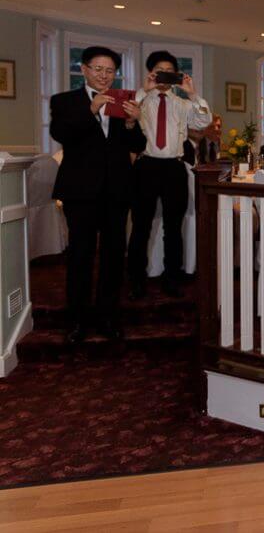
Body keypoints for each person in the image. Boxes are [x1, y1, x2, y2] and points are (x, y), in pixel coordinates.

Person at [51, 46, 146, 342]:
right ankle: (77, 320)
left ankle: (108, 317)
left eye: (110, 71)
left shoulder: (123, 102)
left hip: (116, 191)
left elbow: (137, 144)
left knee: (114, 257)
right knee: (80, 255)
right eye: (98, 69)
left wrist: (132, 122)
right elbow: (61, 133)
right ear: (84, 69)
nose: (104, 76)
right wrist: (90, 111)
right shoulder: (65, 101)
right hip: (80, 192)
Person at [127, 50, 212, 300]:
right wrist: (144, 90)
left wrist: (192, 93)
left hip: (174, 168)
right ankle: (136, 279)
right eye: (159, 70)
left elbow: (202, 122)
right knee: (140, 227)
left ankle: (172, 278)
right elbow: (125, 117)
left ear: (175, 74)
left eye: (168, 70)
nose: (163, 75)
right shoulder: (139, 100)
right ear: (151, 72)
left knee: (173, 228)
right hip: (146, 167)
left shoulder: (183, 104)